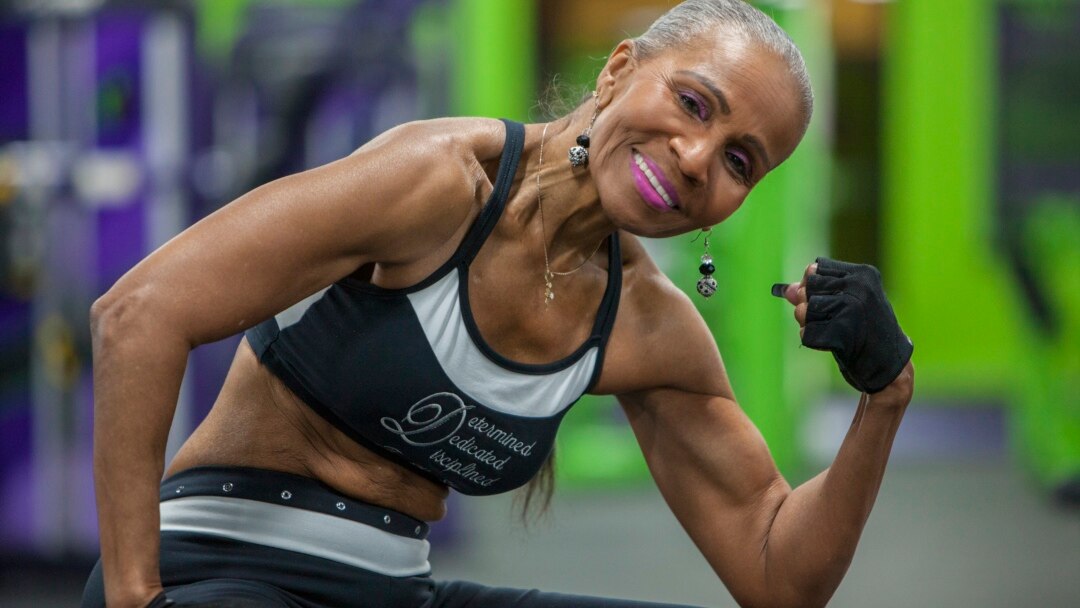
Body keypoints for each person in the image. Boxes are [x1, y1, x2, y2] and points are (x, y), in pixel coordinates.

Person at [82, 0, 914, 606]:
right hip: (224, 570)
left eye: (741, 161)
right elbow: (138, 313)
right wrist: (133, 595)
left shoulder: (647, 328)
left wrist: (886, 394)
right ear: (620, 69)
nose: (697, 158)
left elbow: (777, 576)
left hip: (393, 587)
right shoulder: (441, 184)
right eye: (692, 103)